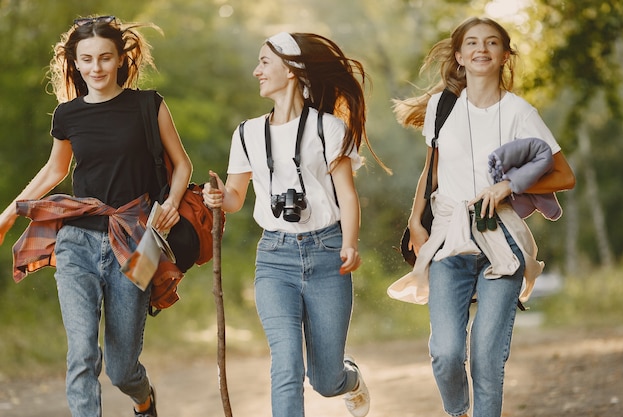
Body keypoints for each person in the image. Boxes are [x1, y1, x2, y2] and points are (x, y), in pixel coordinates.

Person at [0, 15, 192, 417]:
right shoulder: (67, 114)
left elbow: (182, 164)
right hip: (77, 241)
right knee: (82, 351)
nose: (96, 68)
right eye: (86, 60)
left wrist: (172, 202)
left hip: (137, 240)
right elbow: (55, 171)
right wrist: (9, 214)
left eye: (105, 58)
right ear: (75, 62)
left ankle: (144, 400)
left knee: (122, 368)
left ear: (121, 58)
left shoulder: (148, 105)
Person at [388, 17, 575, 417]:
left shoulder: (520, 112)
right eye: (472, 43)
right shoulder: (442, 106)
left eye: (492, 43)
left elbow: (564, 175)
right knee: (446, 352)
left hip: (501, 239)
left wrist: (508, 186)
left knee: (487, 358)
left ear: (505, 55)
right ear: (459, 55)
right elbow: (431, 170)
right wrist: (415, 220)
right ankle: (458, 413)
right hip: (447, 235)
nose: (481, 49)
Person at [203, 32, 388, 417]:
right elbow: (236, 198)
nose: (257, 71)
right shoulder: (247, 133)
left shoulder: (328, 129)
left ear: (292, 70)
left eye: (265, 62)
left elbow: (347, 196)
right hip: (274, 257)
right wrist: (219, 197)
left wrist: (350, 243)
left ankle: (348, 379)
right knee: (286, 364)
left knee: (325, 380)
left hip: (326, 255)